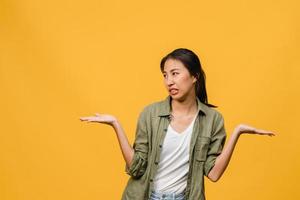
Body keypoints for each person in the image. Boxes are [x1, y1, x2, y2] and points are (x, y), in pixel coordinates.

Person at [79, 48, 276, 200]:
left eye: (175, 73)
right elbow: (136, 168)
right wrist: (116, 125)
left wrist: (237, 133)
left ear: (194, 76)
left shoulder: (213, 119)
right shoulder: (150, 113)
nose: (169, 81)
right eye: (165, 75)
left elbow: (214, 174)